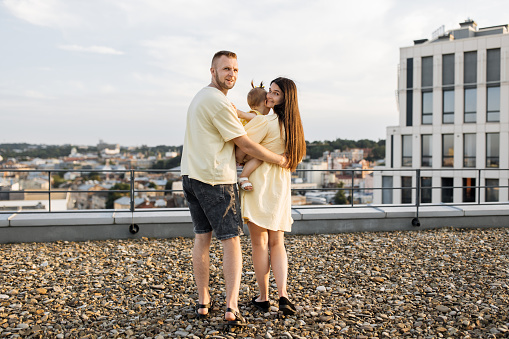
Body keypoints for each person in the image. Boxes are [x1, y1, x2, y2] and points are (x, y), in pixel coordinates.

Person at [180, 51, 288, 326]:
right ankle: (231, 306)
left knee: (202, 237)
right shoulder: (218, 102)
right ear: (212, 71)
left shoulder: (200, 97)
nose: (232, 74)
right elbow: (244, 143)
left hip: (191, 175)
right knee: (231, 241)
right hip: (215, 178)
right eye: (226, 68)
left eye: (235, 70)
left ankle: (204, 302)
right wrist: (277, 158)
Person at [236, 77, 306, 315]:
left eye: (275, 93)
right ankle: (283, 295)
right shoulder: (294, 128)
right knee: (278, 243)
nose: (269, 96)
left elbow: (239, 153)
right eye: (270, 92)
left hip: (259, 184)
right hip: (280, 186)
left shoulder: (265, 122)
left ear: (285, 98)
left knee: (259, 243)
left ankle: (264, 297)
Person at [236, 81, 271, 191]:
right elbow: (247, 116)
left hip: (240, 147)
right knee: (260, 157)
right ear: (265, 102)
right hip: (243, 148)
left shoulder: (252, 114)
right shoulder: (257, 115)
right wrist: (238, 112)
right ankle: (243, 177)